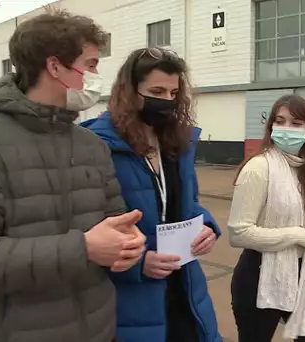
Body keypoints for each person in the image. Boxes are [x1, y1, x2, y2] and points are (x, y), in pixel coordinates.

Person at [0, 11, 146, 342]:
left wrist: (128, 244)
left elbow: (115, 222)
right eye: (90, 64)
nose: (96, 75)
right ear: (55, 67)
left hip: (100, 329)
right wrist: (84, 248)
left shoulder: (91, 145)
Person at [80, 47, 222, 342]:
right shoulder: (95, 145)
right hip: (132, 303)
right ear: (130, 92)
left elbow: (189, 201)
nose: (167, 101)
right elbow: (85, 229)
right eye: (157, 91)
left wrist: (207, 225)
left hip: (185, 290)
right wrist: (139, 261)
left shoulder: (176, 142)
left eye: (173, 93)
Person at [227, 94, 305, 342]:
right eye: (280, 121)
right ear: (271, 126)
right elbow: (238, 233)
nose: (286, 129)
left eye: (296, 123)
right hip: (259, 274)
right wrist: (298, 235)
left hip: (301, 273)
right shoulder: (259, 168)